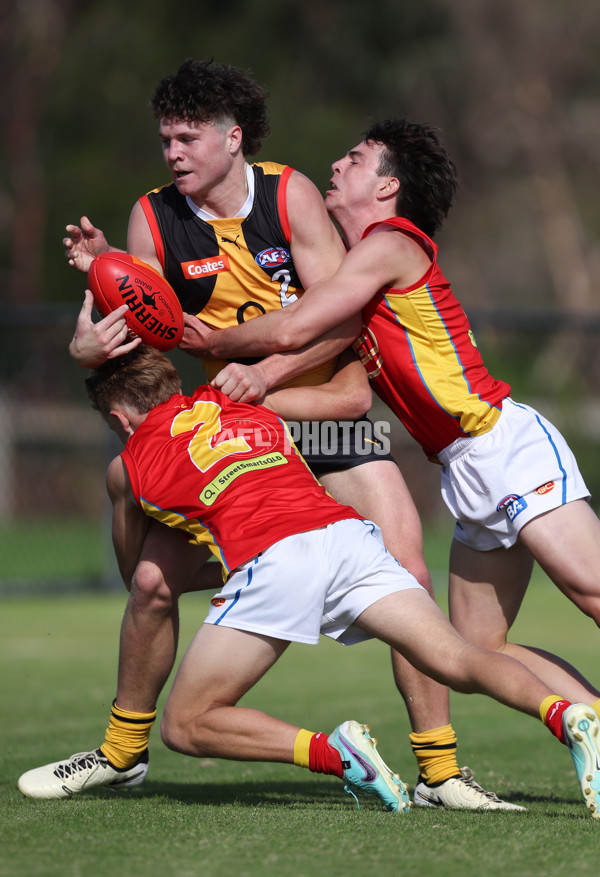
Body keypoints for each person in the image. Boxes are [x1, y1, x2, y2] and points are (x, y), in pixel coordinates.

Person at [55, 60, 516, 809]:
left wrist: (263, 372)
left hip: (324, 409)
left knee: (409, 568)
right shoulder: (153, 218)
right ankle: (123, 751)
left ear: (232, 139)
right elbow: (138, 332)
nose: (172, 153)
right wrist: (90, 334)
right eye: (164, 138)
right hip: (238, 428)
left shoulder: (289, 194)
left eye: (187, 138)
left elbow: (342, 324)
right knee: (148, 581)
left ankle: (440, 772)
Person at [186, 119, 600, 811]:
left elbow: (292, 328)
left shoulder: (391, 242)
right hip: (464, 472)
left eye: (353, 158)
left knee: (593, 594)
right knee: (472, 649)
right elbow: (318, 340)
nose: (336, 164)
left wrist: (215, 339)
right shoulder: (359, 261)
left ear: (387, 185)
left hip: (505, 445)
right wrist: (259, 382)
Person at [16, 347, 600, 820]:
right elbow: (345, 397)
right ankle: (566, 714)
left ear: (119, 421)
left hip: (276, 561)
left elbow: (132, 573)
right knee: (459, 656)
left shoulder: (127, 466)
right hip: (350, 539)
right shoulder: (244, 403)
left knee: (186, 724)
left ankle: (336, 752)